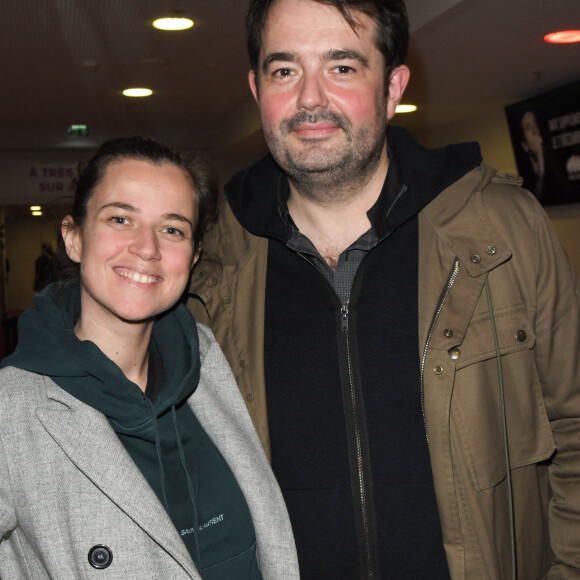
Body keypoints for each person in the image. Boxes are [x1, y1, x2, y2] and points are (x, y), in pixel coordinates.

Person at [187, 0, 580, 578]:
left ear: (393, 86)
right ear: (255, 88)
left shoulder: (503, 229)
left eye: (342, 67)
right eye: (284, 70)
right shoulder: (211, 267)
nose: (310, 98)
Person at [0, 137, 299, 579]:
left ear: (193, 256)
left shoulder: (214, 363)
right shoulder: (14, 407)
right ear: (74, 237)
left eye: (172, 228)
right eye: (121, 219)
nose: (147, 247)